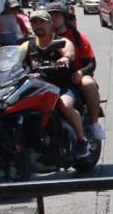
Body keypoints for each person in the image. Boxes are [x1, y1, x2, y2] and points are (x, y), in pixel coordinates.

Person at [25, 9, 89, 156]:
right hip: (38, 88)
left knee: (64, 105)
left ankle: (81, 140)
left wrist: (66, 58)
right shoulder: (28, 45)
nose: (38, 26)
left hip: (63, 87)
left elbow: (69, 51)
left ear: (50, 24)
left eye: (42, 22)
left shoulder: (61, 41)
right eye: (34, 22)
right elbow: (16, 56)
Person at [49, 4, 105, 141]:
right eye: (51, 16)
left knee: (88, 83)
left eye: (57, 15)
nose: (54, 18)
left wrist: (80, 72)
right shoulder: (44, 36)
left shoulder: (77, 37)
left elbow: (92, 63)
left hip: (75, 77)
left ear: (64, 17)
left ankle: (94, 124)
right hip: (50, 77)